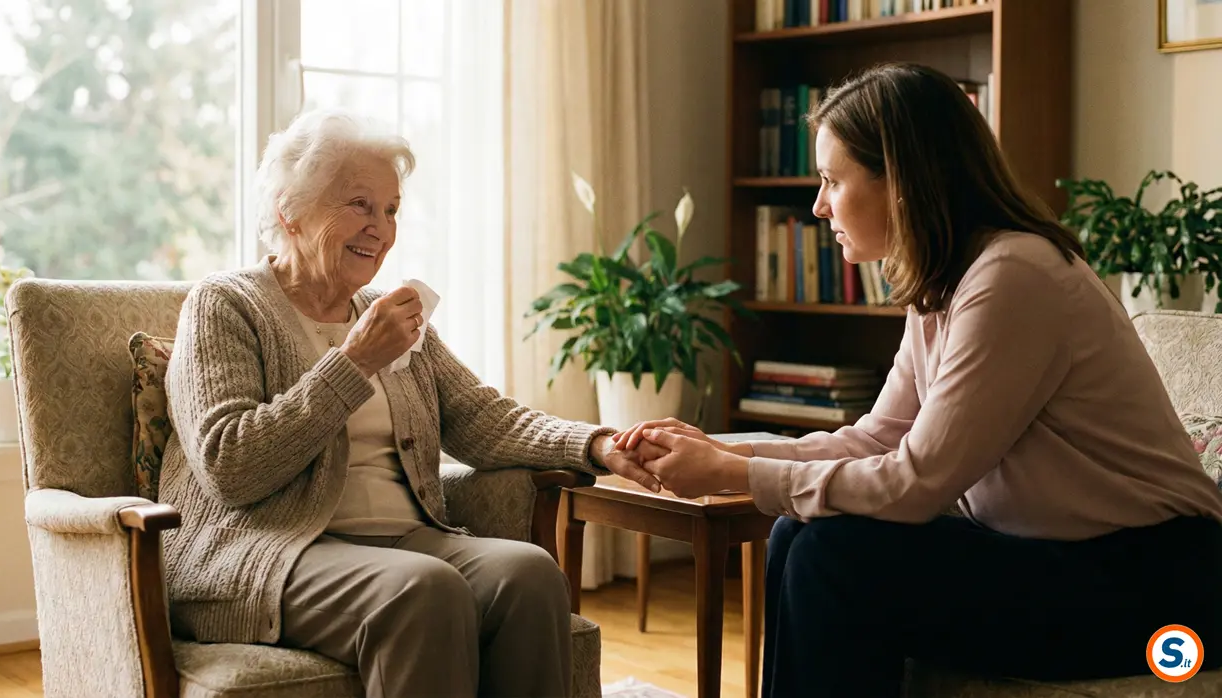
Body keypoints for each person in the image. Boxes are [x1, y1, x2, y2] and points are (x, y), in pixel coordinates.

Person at [612, 62, 1222, 697]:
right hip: (1059, 560)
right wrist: (724, 450)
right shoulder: (944, 283)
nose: (818, 205)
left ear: (899, 181)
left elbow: (915, 482)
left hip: (1157, 586)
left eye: (831, 180)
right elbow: (877, 439)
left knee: (833, 558)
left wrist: (732, 475)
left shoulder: (1015, 276)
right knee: (799, 531)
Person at [158, 107, 661, 698]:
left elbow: (483, 417)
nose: (380, 227)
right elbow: (229, 466)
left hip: (402, 541)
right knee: (424, 589)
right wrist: (353, 362)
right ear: (288, 210)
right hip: (266, 550)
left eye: (390, 210)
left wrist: (596, 443)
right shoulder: (225, 305)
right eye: (359, 205)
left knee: (530, 575)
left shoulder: (391, 313)